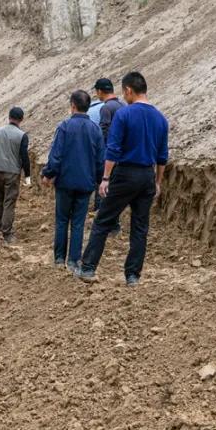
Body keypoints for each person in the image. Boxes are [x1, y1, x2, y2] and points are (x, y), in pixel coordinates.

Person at [77, 72, 169, 286]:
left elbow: (113, 148)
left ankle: (88, 268)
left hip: (125, 173)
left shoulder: (124, 114)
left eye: (124, 92)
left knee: (103, 220)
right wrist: (157, 182)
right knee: (140, 227)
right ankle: (133, 275)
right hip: (147, 175)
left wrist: (105, 177)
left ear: (128, 90)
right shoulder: (160, 118)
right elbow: (162, 156)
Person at [41, 91, 105, 272]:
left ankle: (59, 258)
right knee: (78, 223)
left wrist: (48, 174)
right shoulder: (96, 130)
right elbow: (100, 160)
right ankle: (73, 261)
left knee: (62, 220)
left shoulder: (65, 126)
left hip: (65, 182)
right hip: (86, 184)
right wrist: (99, 180)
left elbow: (56, 155)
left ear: (73, 106)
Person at [0, 107, 32, 245]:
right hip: (12, 173)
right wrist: (27, 175)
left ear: (9, 117)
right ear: (21, 119)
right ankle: (6, 233)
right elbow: (24, 157)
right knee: (9, 202)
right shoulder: (22, 135)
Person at [88, 78, 125, 230]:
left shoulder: (106, 108)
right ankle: (114, 223)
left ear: (99, 91)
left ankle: (104, 223)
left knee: (104, 189)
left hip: (110, 155)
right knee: (115, 192)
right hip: (123, 156)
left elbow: (104, 132)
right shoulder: (122, 105)